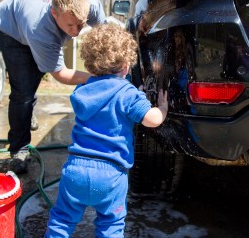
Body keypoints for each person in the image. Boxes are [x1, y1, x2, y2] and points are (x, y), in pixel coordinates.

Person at [44, 24, 168, 238]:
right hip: (111, 175)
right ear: (126, 66)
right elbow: (152, 120)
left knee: (62, 220)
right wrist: (163, 107)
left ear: (91, 67)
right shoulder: (128, 94)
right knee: (111, 225)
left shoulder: (82, 90)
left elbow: (104, 96)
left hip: (75, 171)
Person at [0, 0, 106, 173]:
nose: (76, 32)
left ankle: (27, 116)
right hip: (12, 29)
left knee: (34, 79)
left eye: (81, 24)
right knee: (24, 91)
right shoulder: (40, 28)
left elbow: (107, 36)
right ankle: (19, 148)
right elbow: (60, 73)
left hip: (32, 19)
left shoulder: (91, 3)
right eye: (71, 25)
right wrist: (95, 77)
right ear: (54, 13)